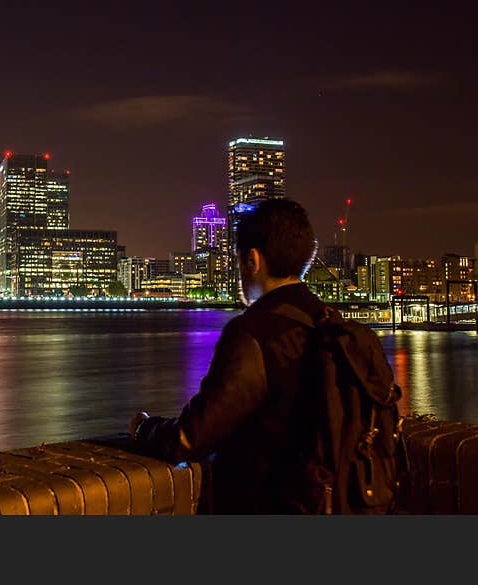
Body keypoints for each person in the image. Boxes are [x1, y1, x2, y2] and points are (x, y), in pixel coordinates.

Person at [129, 197, 332, 513]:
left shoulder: (252, 333)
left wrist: (145, 428)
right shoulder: (336, 327)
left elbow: (192, 437)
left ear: (252, 260)